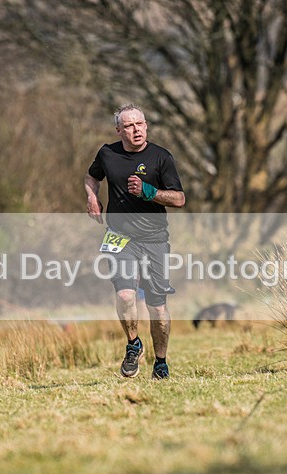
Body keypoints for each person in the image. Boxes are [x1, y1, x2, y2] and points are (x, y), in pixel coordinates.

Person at [85, 104, 186, 380]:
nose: (136, 130)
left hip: (155, 239)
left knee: (157, 306)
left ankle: (161, 362)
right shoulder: (107, 154)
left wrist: (149, 191)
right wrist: (92, 197)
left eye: (140, 124)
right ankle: (133, 345)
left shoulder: (161, 158)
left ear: (146, 126)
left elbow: (179, 199)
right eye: (129, 126)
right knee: (125, 295)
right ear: (119, 130)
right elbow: (92, 176)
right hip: (119, 236)